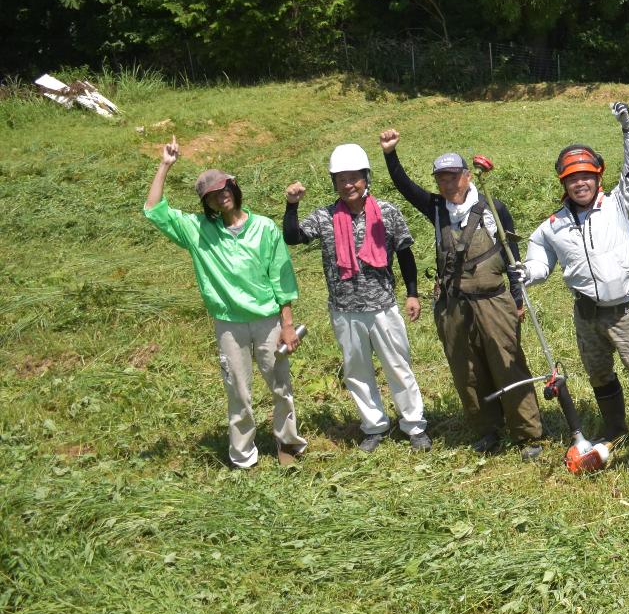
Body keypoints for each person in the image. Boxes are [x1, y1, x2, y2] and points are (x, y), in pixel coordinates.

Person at [519, 105, 629, 455]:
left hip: (626, 311)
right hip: (586, 314)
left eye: (587, 177)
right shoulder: (553, 225)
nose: (580, 183)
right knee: (599, 374)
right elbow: (539, 259)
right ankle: (615, 427)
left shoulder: (618, 203)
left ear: (598, 177)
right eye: (572, 179)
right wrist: (527, 273)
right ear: (563, 182)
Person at [381, 129, 544, 457]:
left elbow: (512, 252)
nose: (447, 183)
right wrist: (390, 154)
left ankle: (528, 434)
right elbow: (404, 186)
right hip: (453, 304)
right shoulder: (436, 208)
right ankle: (486, 430)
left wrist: (517, 296)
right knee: (466, 370)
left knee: (508, 363)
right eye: (441, 177)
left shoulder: (492, 208)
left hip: (495, 300)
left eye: (453, 176)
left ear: (468, 176)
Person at [144, 140, 304, 469]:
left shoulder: (264, 228)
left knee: (280, 385)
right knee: (238, 391)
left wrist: (287, 325)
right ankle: (244, 455)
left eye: (225, 187)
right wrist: (165, 165)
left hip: (267, 321)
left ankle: (287, 443)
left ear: (234, 187)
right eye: (213, 194)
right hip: (229, 324)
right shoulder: (198, 230)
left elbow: (282, 279)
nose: (222, 195)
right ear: (208, 203)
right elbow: (154, 210)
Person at [284, 144, 431, 453]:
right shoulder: (325, 216)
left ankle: (414, 426)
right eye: (341, 179)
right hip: (344, 309)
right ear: (334, 183)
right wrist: (292, 206)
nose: (348, 184)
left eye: (354, 178)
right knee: (357, 372)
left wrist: (412, 294)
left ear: (367, 178)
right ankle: (375, 426)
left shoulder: (387, 212)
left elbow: (405, 254)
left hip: (384, 306)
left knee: (398, 367)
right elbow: (293, 237)